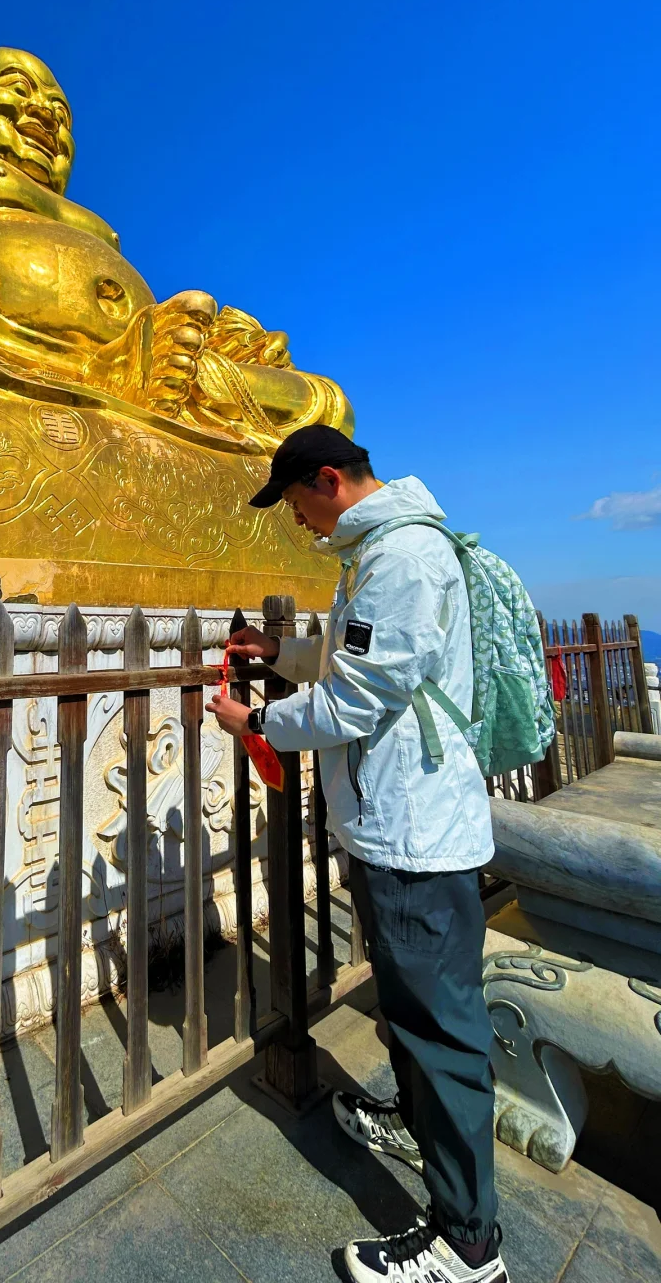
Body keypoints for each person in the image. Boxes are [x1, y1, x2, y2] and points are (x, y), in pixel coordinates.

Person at [206, 423, 508, 1283]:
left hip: (415, 836)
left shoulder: (402, 558)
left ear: (329, 479)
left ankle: (468, 1246)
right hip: (393, 828)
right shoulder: (380, 555)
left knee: (442, 1030)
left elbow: (358, 702)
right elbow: (356, 661)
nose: (297, 522)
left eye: (296, 502)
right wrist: (281, 654)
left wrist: (257, 720)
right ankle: (420, 1127)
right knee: (413, 1011)